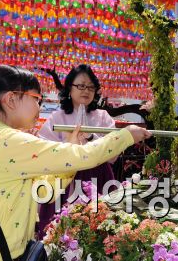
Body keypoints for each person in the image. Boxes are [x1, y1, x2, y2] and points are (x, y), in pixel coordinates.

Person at [0, 65, 150, 261]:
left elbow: (45, 192)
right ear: (11, 99)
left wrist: (71, 150)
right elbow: (83, 156)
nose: (40, 106)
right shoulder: (9, 140)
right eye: (37, 98)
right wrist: (125, 136)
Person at [37, 64, 119, 237]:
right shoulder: (57, 117)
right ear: (69, 88)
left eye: (91, 87)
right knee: (61, 230)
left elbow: (113, 156)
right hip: (65, 178)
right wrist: (69, 145)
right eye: (81, 85)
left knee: (98, 229)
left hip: (98, 176)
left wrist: (91, 138)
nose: (86, 91)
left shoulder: (103, 116)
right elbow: (44, 150)